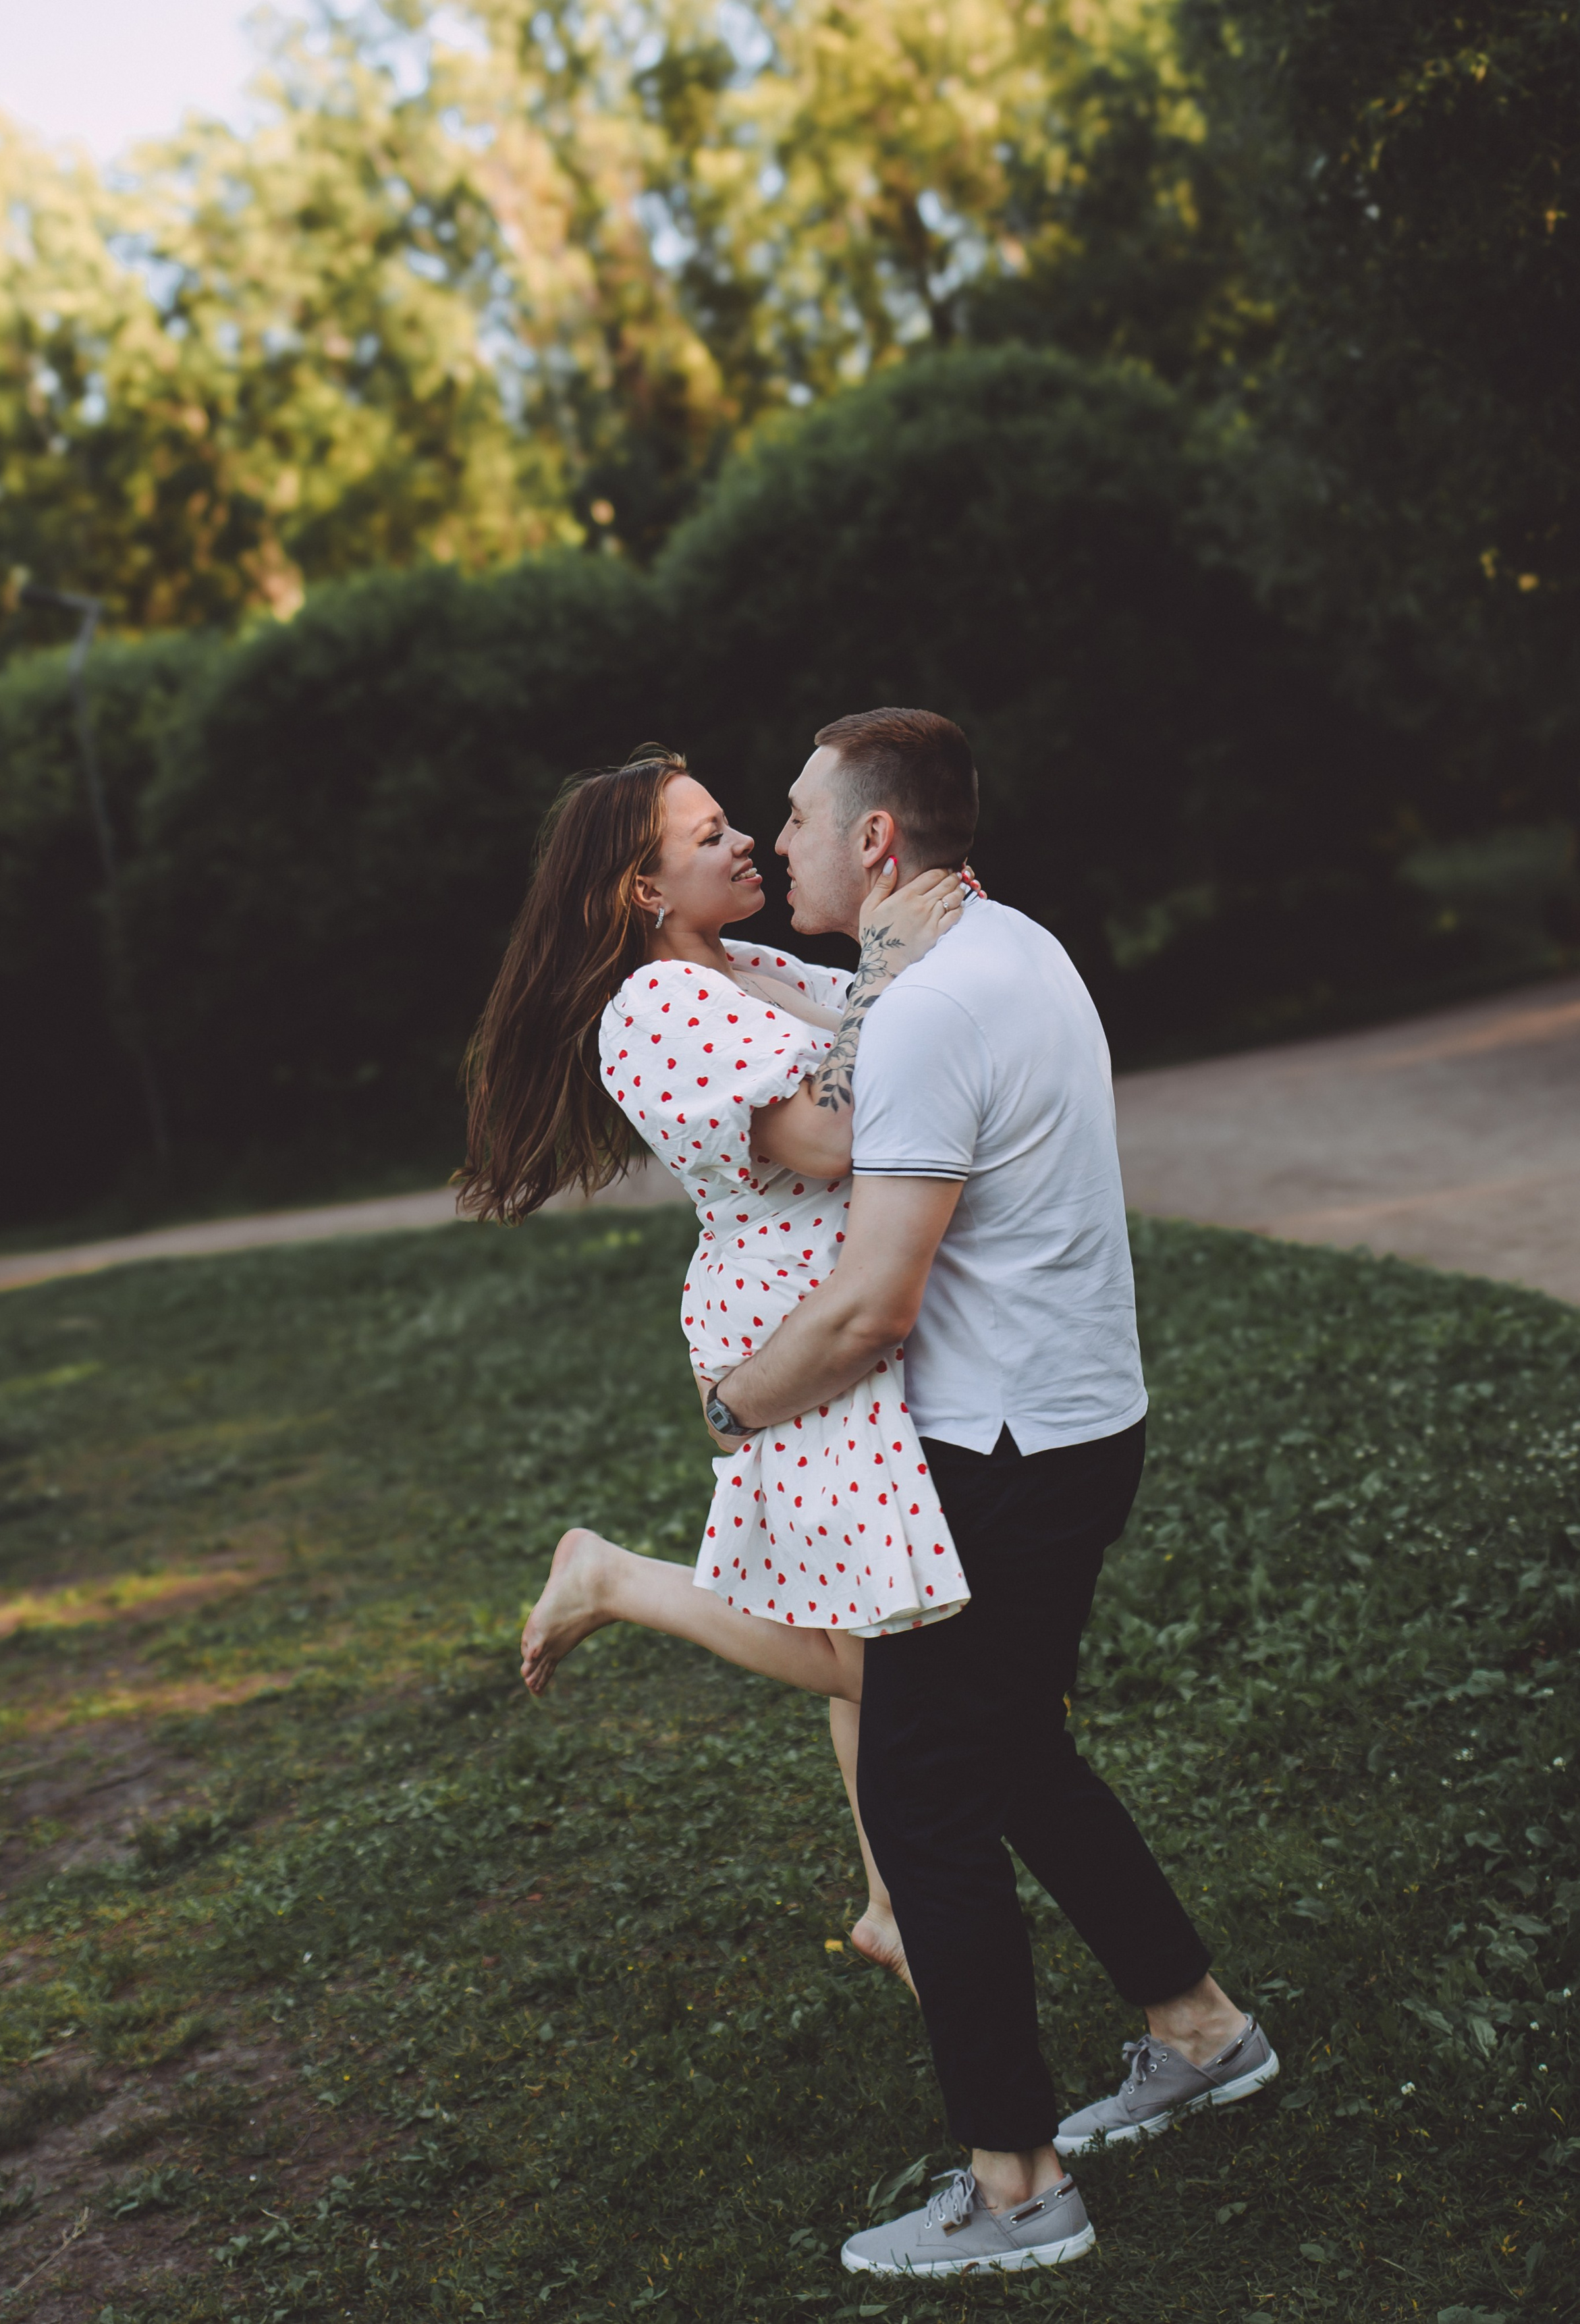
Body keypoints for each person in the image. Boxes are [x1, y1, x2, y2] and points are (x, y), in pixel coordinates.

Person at [698, 708, 1279, 2279]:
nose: (779, 841)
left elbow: (872, 1303)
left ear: (874, 838)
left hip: (999, 1457)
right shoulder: (1014, 948)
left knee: (920, 1801)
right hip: (1081, 1425)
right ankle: (1198, 2030)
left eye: (798, 817)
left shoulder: (930, 1007)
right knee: (1014, 1753)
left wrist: (734, 1400)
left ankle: (1016, 2189)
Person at [460, 743, 972, 1982]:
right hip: (790, 1325)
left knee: (864, 1601)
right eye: (708, 837)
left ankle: (891, 1903)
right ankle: (616, 1579)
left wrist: (907, 958)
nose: (744, 841)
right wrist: (891, 964)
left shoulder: (747, 967)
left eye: (735, 822)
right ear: (643, 890)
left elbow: (882, 1036)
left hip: (830, 1305)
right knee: (872, 1649)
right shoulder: (656, 1007)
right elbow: (827, 1140)